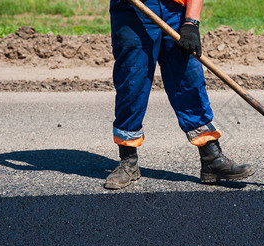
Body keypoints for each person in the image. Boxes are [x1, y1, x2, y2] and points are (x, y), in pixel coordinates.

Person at [105, 0, 254, 189]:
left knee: (189, 81)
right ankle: (128, 161)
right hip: (132, 10)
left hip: (175, 10)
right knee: (132, 84)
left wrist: (191, 23)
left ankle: (211, 158)